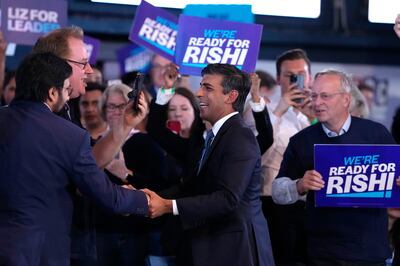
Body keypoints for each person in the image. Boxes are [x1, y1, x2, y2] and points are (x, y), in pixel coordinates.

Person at [0, 52, 149, 266]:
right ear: (52, 93)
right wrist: (144, 200)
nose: (69, 96)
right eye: (66, 89)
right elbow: (107, 196)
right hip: (40, 254)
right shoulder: (70, 135)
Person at [143, 63, 275, 266]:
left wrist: (168, 206)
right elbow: (191, 187)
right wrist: (142, 199)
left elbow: (228, 198)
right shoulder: (214, 137)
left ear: (230, 96)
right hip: (212, 246)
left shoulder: (240, 136)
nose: (198, 92)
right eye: (201, 86)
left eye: (208, 88)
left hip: (236, 251)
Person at [272, 69, 395, 265]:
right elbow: (277, 191)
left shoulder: (376, 134)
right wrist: (299, 185)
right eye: (314, 95)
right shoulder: (301, 141)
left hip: (371, 252)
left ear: (346, 100)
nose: (317, 102)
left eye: (325, 96)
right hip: (321, 253)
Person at [263, 48, 313, 265]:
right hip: (273, 206)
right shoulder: (264, 111)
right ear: (277, 78)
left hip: (311, 205)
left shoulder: (319, 112)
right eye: (290, 76)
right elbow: (257, 158)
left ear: (310, 76)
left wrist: (314, 120)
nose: (296, 81)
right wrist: (279, 112)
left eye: (301, 75)